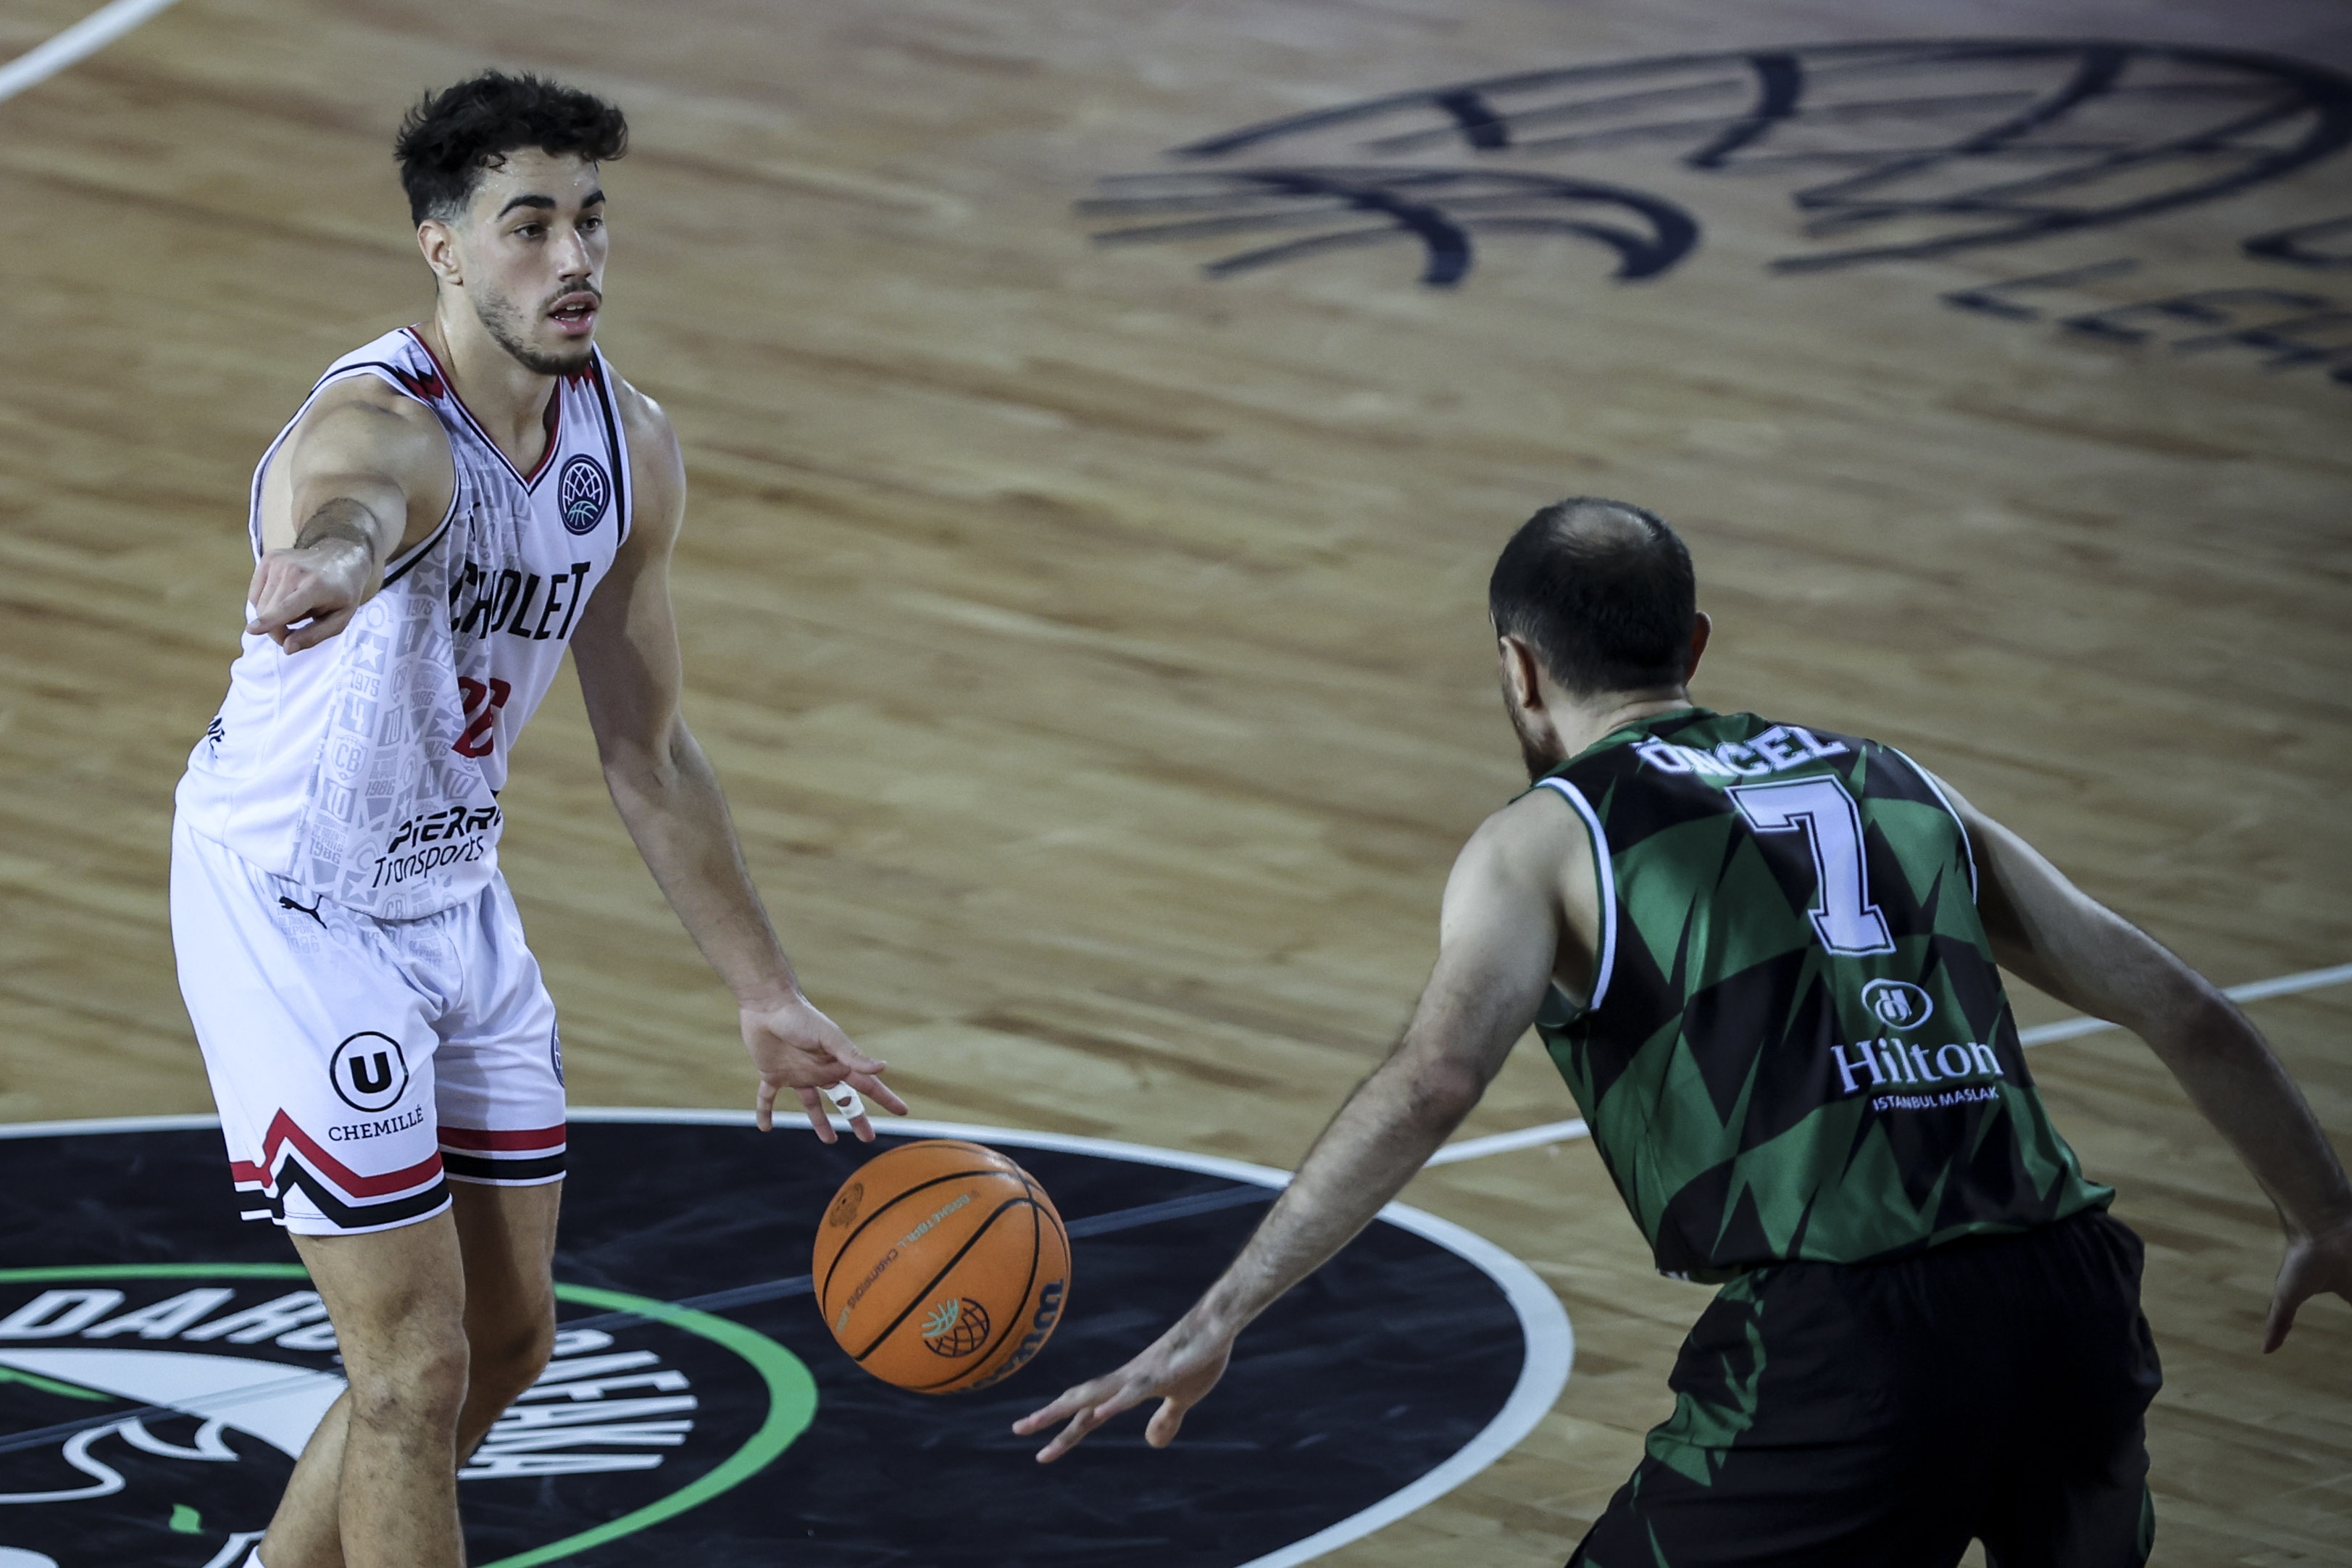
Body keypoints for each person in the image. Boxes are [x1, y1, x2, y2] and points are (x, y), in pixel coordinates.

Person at [1016, 498, 2352, 1564]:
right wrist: (2324, 1217)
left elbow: (1430, 1082)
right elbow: (2180, 1005)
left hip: (1853, 1343)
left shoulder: (1545, 838)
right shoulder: (1895, 781)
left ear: (1516, 667)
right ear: (1694, 645)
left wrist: (1223, 1310)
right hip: (2071, 1296)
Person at [170, 72, 905, 1568]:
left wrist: (764, 990)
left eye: (589, 221)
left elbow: (647, 747)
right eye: (528, 227)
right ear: (440, 247)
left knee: (504, 1343)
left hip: (454, 897)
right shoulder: (381, 426)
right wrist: (328, 559)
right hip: (297, 906)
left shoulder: (626, 448)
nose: (573, 260)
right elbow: (358, 506)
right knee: (410, 1368)